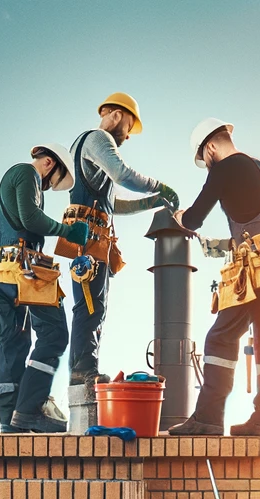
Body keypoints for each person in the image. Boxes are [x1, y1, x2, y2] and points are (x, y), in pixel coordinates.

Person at [171, 118, 260, 438]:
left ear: (210, 148)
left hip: (252, 271)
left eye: (205, 159)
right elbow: (258, 219)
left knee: (220, 338)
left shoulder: (222, 170)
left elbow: (194, 218)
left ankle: (208, 419)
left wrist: (180, 217)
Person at [66, 92, 179, 386]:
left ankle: (82, 369)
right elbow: (122, 174)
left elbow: (112, 205)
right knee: (91, 306)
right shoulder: (97, 139)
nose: (128, 136)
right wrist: (160, 186)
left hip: (91, 236)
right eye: (130, 126)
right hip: (90, 239)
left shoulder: (85, 149)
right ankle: (83, 371)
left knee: (92, 305)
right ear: (115, 114)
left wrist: (154, 201)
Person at [0, 144, 91, 433]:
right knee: (55, 335)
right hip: (25, 271)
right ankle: (30, 409)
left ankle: (10, 419)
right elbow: (29, 218)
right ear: (48, 163)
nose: (46, 186)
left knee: (13, 341)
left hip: (0, 271)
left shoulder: (13, 178)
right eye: (50, 182)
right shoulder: (27, 173)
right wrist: (68, 230)